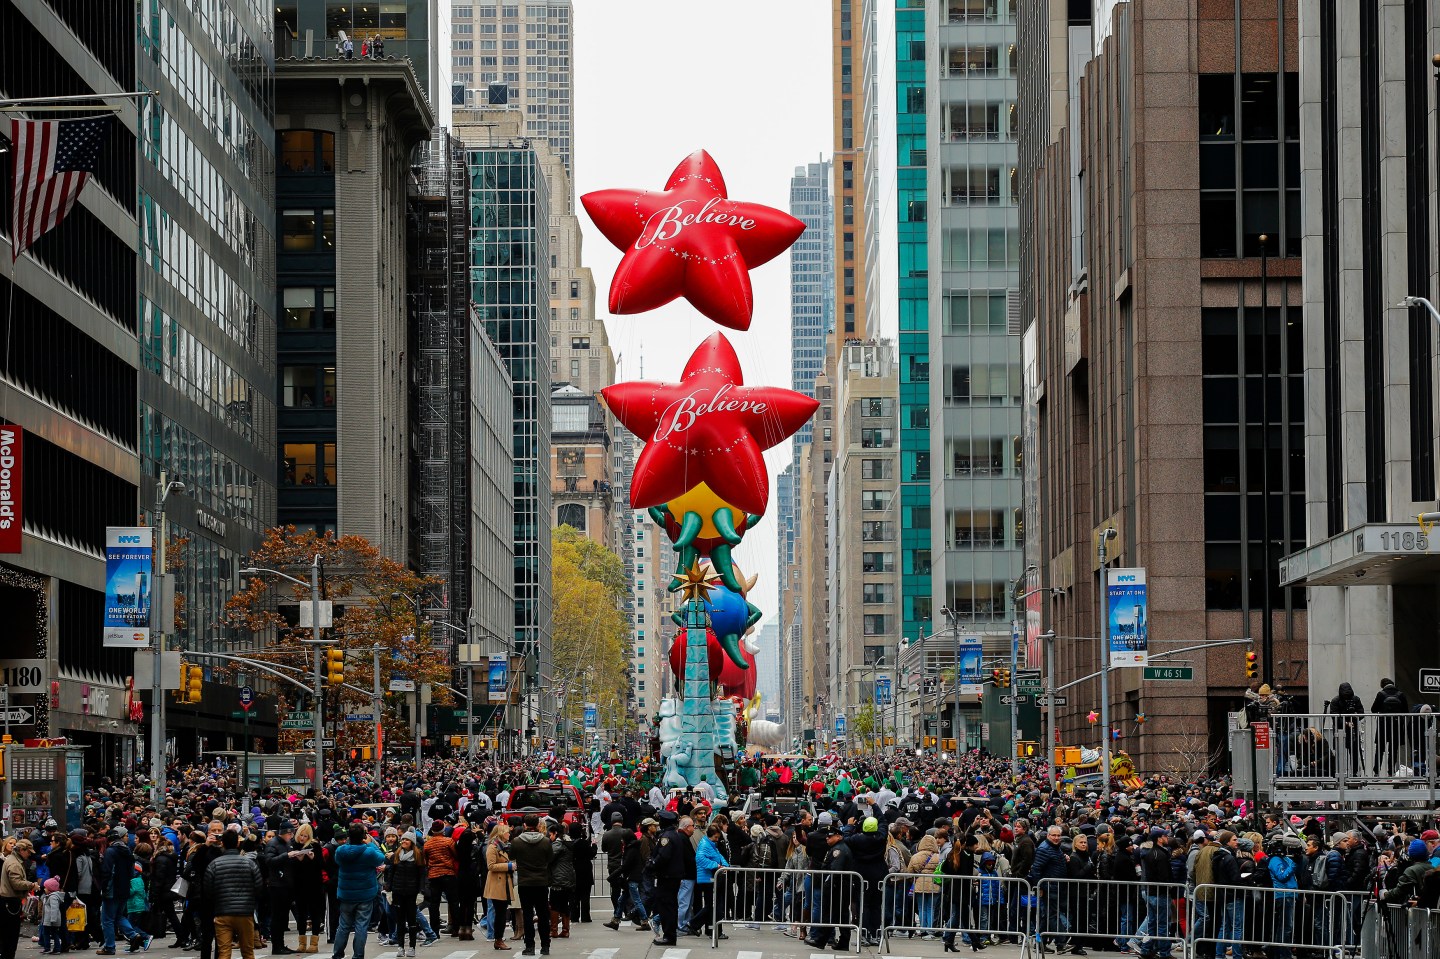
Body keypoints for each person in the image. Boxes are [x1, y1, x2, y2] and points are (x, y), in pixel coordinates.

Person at [204, 829, 263, 959]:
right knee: (248, 951)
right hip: (245, 912)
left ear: (222, 843)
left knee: (224, 951)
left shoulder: (214, 864)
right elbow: (258, 886)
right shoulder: (249, 863)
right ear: (237, 843)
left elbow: (208, 889)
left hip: (223, 911)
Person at [331, 824, 385, 959]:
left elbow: (337, 861)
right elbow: (381, 858)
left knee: (343, 926)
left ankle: (337, 953)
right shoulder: (368, 851)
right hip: (365, 894)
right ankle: (358, 955)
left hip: (346, 893)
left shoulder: (340, 851)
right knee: (361, 926)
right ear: (363, 836)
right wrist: (370, 844)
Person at [506, 814, 555, 957]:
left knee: (527, 914)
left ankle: (530, 946)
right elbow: (550, 858)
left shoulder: (516, 842)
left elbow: (511, 857)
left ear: (525, 825)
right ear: (538, 826)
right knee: (543, 914)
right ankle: (545, 945)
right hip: (541, 881)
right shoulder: (546, 841)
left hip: (525, 882)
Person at [99, 830, 148, 955]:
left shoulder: (110, 852)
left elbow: (106, 871)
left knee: (107, 919)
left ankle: (109, 946)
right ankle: (133, 934)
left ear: (109, 840)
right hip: (125, 888)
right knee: (119, 916)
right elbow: (131, 872)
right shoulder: (127, 851)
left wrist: (103, 887)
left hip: (112, 889)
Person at [650, 813, 688, 946]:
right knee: (670, 905)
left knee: (666, 906)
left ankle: (669, 936)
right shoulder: (675, 835)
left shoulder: (667, 837)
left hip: (667, 876)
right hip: (673, 876)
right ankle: (670, 935)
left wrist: (652, 864)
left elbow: (663, 857)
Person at [690, 824, 729, 940]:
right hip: (708, 879)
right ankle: (696, 924)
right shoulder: (705, 845)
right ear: (710, 836)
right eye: (716, 837)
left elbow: (718, 856)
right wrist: (717, 866)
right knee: (714, 905)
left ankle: (709, 929)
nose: (717, 840)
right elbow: (700, 859)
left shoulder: (709, 844)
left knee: (712, 905)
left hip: (709, 878)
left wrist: (724, 865)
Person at [483, 823, 516, 952]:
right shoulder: (493, 847)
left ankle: (499, 939)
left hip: (503, 883)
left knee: (502, 913)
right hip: (497, 884)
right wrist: (508, 866)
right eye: (507, 832)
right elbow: (491, 866)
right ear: (501, 833)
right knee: (500, 913)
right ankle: (498, 939)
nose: (509, 834)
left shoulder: (502, 846)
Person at [1326, 683, 1366, 776]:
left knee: (1354, 752)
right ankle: (1339, 772)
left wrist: (1355, 716)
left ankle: (1355, 773)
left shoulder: (1355, 699)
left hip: (1353, 730)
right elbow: (1334, 716)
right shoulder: (1336, 701)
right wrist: (1345, 723)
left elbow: (1361, 713)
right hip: (1340, 729)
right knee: (1340, 752)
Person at [1373, 679, 1411, 776]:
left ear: (1383, 685)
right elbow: (1406, 711)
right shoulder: (1401, 695)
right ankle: (1391, 771)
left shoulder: (1381, 694)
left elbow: (1373, 709)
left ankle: (1376, 772)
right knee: (1393, 750)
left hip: (1383, 725)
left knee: (1380, 749)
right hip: (1396, 726)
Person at [545, 822, 573, 940]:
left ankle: (554, 930)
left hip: (558, 877)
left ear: (555, 833)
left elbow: (549, 857)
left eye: (550, 835)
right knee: (564, 904)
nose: (549, 837)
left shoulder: (557, 844)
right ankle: (565, 930)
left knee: (555, 904)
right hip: (567, 877)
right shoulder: (567, 842)